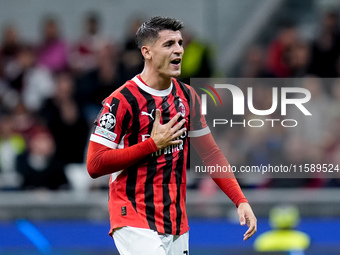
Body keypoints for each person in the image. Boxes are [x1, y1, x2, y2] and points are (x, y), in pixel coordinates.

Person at [86, 16, 257, 255]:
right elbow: (94, 164)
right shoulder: (121, 101)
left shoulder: (188, 97)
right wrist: (152, 144)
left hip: (175, 221)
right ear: (147, 51)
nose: (178, 50)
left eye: (180, 43)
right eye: (168, 44)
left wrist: (240, 200)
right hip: (133, 216)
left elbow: (209, 154)